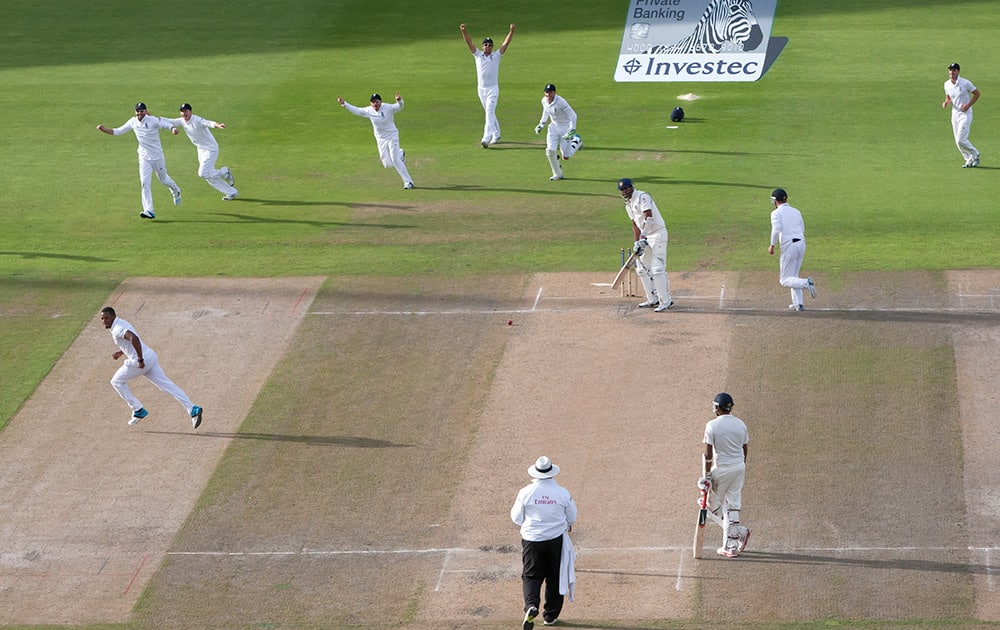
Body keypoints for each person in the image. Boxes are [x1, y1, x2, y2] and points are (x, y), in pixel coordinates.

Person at [98, 306, 203, 429]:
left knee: (116, 381)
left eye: (106, 318)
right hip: (150, 356)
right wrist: (121, 352)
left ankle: (138, 410)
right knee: (167, 385)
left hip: (141, 361)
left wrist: (140, 359)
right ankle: (192, 409)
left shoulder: (117, 329)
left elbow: (134, 338)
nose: (104, 321)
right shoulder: (121, 323)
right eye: (102, 318)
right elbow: (129, 342)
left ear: (113, 316)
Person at [511, 456, 577, 630]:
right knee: (555, 577)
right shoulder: (562, 493)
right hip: (556, 541)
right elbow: (572, 517)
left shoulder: (526, 492)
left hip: (532, 541)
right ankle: (550, 616)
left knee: (531, 575)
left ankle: (531, 606)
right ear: (551, 473)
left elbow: (516, 518)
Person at [96, 102, 182, 219]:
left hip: (157, 156)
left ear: (145, 111)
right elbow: (119, 131)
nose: (139, 114)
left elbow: (166, 124)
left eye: (142, 111)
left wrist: (173, 128)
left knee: (164, 180)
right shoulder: (133, 121)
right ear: (135, 112)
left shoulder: (152, 120)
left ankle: (176, 190)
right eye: (138, 111)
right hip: (143, 157)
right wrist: (105, 130)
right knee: (144, 183)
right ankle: (149, 210)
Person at [700, 392, 750, 558]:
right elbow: (745, 449)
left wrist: (706, 476)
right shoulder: (741, 424)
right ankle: (735, 538)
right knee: (732, 506)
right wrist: (739, 467)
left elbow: (708, 455)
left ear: (716, 408)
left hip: (722, 470)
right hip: (739, 468)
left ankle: (732, 543)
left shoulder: (712, 425)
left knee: (706, 501)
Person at [337, 92, 414, 190]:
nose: (375, 104)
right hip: (380, 139)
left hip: (392, 136)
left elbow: (400, 107)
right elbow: (357, 110)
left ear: (381, 102)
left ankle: (409, 182)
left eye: (377, 102)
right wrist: (344, 104)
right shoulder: (369, 110)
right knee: (387, 164)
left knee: (395, 160)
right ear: (370, 103)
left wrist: (399, 101)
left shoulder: (388, 108)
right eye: (373, 102)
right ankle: (401, 154)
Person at [617, 178, 673, 312]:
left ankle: (665, 301)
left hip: (657, 233)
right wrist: (637, 241)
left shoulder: (643, 196)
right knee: (641, 268)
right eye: (622, 190)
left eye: (626, 188)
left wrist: (643, 237)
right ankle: (651, 298)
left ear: (632, 187)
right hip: (645, 237)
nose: (625, 191)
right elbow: (635, 224)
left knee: (657, 269)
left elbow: (649, 217)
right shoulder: (628, 205)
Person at [163, 103, 239, 200]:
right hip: (201, 150)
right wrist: (151, 118)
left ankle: (225, 172)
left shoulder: (197, 120)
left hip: (211, 149)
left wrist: (218, 125)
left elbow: (208, 123)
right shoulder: (182, 121)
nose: (184, 113)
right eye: (182, 111)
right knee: (208, 176)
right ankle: (232, 192)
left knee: (202, 173)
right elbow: (168, 120)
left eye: (186, 111)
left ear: (190, 111)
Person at [460, 22, 515, 148]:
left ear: (492, 47)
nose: (488, 47)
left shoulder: (496, 56)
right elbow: (469, 43)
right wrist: (463, 31)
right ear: (482, 46)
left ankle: (486, 138)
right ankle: (497, 133)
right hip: (481, 90)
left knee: (489, 112)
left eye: (490, 45)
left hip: (493, 90)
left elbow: (505, 44)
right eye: (485, 45)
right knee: (489, 112)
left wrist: (511, 31)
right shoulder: (478, 55)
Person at [768, 188, 816, 311]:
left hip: (790, 246)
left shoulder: (776, 213)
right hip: (801, 244)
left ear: (775, 201)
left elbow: (776, 229)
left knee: (784, 279)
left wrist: (772, 245)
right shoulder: (796, 211)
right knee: (793, 275)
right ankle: (798, 304)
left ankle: (806, 283)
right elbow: (802, 228)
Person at [534, 84, 578, 181]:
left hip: (565, 128)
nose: (547, 95)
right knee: (550, 151)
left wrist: (572, 130)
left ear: (554, 92)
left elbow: (573, 116)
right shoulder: (544, 100)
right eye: (546, 93)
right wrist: (541, 124)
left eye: (549, 93)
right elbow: (545, 112)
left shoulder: (561, 102)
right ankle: (558, 174)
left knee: (566, 155)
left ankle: (577, 141)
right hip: (553, 128)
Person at [942, 62, 981, 168]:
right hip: (955, 114)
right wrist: (946, 102)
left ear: (958, 71)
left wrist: (968, 105)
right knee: (957, 141)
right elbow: (949, 97)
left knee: (961, 139)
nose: (951, 72)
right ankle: (968, 159)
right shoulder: (946, 84)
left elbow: (977, 93)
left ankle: (975, 154)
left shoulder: (965, 83)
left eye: (954, 70)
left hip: (965, 114)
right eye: (950, 70)